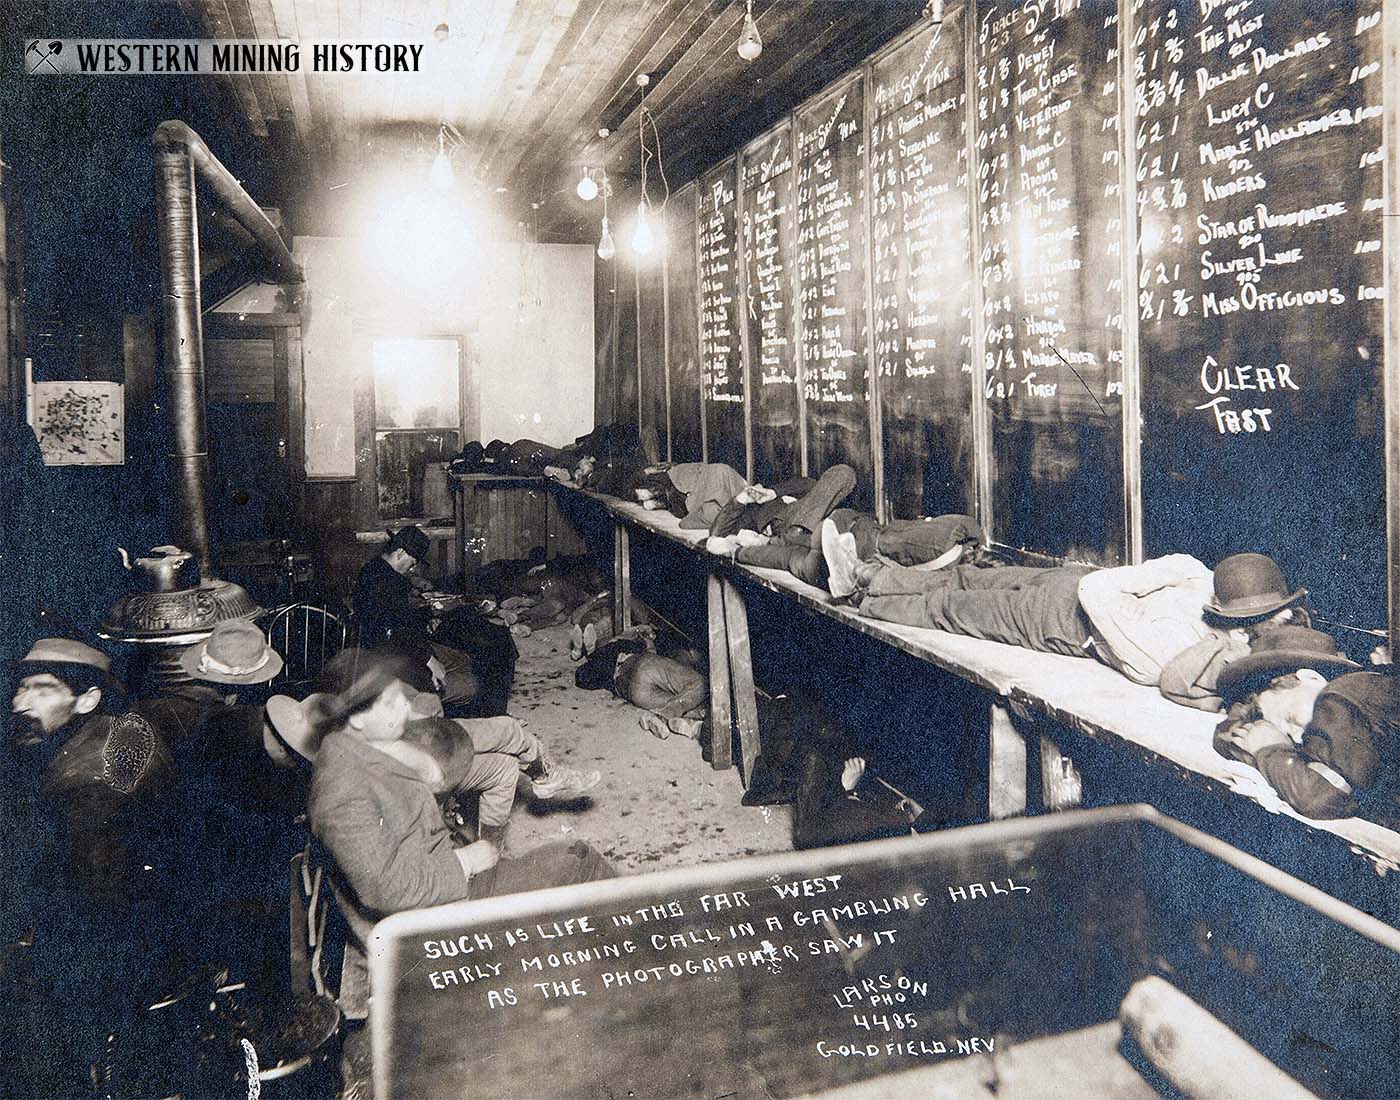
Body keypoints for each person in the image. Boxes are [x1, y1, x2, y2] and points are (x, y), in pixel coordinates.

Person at [304, 649, 615, 1093]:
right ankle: (636, 966)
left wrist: (418, 762)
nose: (405, 709)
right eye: (391, 702)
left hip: (440, 889)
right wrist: (466, 860)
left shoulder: (356, 748)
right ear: (355, 718)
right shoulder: (341, 795)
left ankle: (592, 975)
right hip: (428, 922)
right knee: (578, 864)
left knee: (562, 872)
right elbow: (386, 888)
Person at [5, 638, 180, 1094]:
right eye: (20, 688)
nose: (20, 702)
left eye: (42, 688)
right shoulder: (118, 732)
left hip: (108, 953)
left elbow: (95, 890)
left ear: (87, 699)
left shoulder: (89, 779)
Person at [827, 536, 1306, 689]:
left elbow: (1100, 591)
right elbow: (1185, 564)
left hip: (1059, 624)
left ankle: (859, 600)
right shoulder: (1217, 587)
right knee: (965, 577)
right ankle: (867, 576)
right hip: (1067, 585)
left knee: (951, 608)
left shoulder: (1175, 652)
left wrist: (1157, 578)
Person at [1209, 627, 1400, 821]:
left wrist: (1269, 749)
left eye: (1290, 717)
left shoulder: (1336, 698)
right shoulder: (1363, 693)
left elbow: (1320, 799)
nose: (1297, 737)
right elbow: (1225, 733)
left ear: (1312, 677)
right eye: (1286, 734)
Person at [353, 524, 518, 717]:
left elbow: (398, 619)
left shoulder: (373, 569)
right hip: (391, 660)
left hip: (396, 648)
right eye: (412, 563)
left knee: (463, 660)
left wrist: (424, 617)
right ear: (400, 553)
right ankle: (479, 717)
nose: (412, 568)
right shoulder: (388, 582)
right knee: (471, 683)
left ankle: (488, 711)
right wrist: (429, 660)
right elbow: (398, 633)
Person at [1158, 553, 1311, 711]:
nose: (1287, 615)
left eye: (1282, 610)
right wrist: (1207, 704)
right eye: (1269, 617)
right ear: (1240, 631)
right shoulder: (1226, 651)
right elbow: (1172, 683)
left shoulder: (1297, 626)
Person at [576, 636, 708, 739]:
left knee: (689, 700)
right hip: (642, 668)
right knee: (702, 683)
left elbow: (582, 677)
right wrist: (648, 641)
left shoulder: (599, 659)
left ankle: (693, 727)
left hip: (631, 692)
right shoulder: (623, 641)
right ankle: (663, 716)